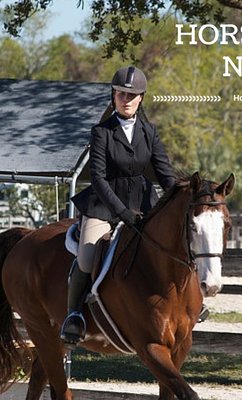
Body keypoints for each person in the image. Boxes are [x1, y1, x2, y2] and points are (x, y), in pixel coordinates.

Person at [60, 66, 176, 346]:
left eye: (131, 95)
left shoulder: (149, 132)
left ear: (141, 99)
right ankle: (74, 314)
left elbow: (165, 174)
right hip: (103, 204)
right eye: (120, 93)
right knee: (87, 258)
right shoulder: (101, 132)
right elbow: (98, 177)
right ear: (113, 96)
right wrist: (122, 213)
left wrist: (182, 196)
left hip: (142, 203)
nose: (125, 99)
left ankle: (183, 304)